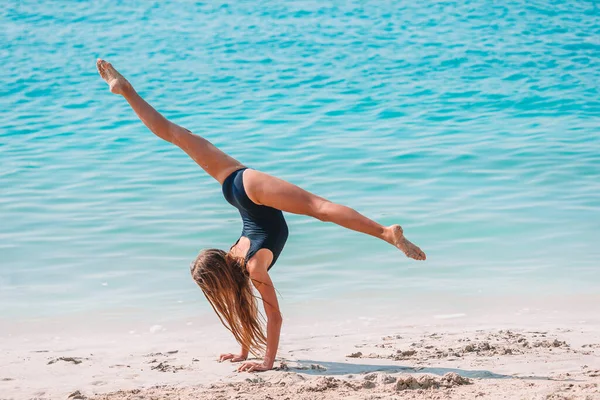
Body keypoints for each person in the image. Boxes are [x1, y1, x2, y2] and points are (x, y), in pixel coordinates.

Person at [96, 59, 426, 373]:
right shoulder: (239, 260)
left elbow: (275, 316)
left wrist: (268, 362)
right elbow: (246, 309)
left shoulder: (253, 268)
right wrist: (242, 351)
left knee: (318, 207)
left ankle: (385, 233)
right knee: (175, 134)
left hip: (251, 193)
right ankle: (126, 90)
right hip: (237, 188)